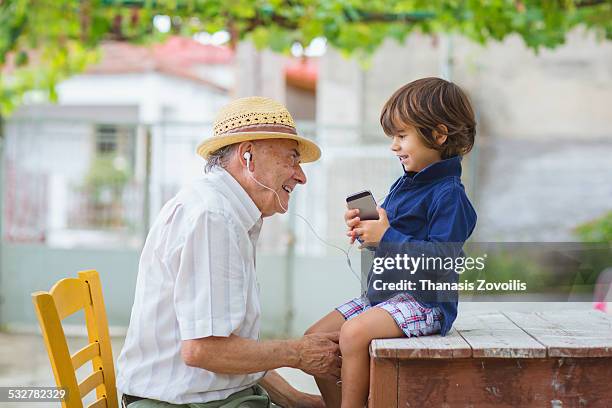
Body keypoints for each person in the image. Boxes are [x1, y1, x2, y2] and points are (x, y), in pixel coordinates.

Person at [116, 97, 341, 408]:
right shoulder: (214, 217)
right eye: (292, 159)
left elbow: (226, 349)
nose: (301, 176)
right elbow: (204, 350)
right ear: (247, 156)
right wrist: (299, 353)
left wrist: (296, 399)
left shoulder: (225, 210)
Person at [305, 77, 478, 408]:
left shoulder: (450, 196)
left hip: (425, 303)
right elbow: (390, 240)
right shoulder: (405, 184)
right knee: (315, 339)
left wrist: (386, 236)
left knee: (354, 334)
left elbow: (441, 261)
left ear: (439, 135)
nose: (394, 146)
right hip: (383, 298)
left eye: (402, 136)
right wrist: (368, 233)